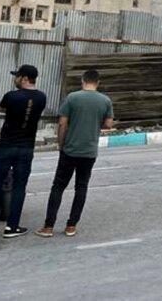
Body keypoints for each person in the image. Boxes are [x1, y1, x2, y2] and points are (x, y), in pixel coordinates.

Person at [36, 68, 114, 237]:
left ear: (82, 81)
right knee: (81, 187)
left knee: (58, 186)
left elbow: (62, 124)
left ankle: (48, 226)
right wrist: (94, 124)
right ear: (98, 82)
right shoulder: (105, 101)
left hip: (70, 150)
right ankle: (71, 225)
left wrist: (61, 144)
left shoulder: (72, 98)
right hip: (89, 152)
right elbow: (108, 124)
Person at [0, 64, 47, 237]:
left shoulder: (11, 96)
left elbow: (2, 109)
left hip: (6, 147)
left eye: (16, 76)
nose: (14, 79)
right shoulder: (42, 98)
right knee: (19, 187)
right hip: (26, 148)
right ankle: (12, 227)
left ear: (24, 78)